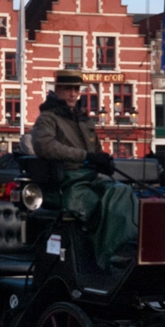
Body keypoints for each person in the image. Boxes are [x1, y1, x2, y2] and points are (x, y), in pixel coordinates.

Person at [31, 70, 137, 269]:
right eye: (68, 89)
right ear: (58, 89)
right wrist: (85, 157)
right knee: (103, 202)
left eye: (76, 89)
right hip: (66, 184)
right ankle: (107, 260)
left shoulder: (84, 120)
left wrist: (103, 161)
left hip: (89, 179)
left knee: (124, 192)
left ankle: (125, 250)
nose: (73, 94)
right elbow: (45, 146)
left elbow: (95, 151)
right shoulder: (47, 118)